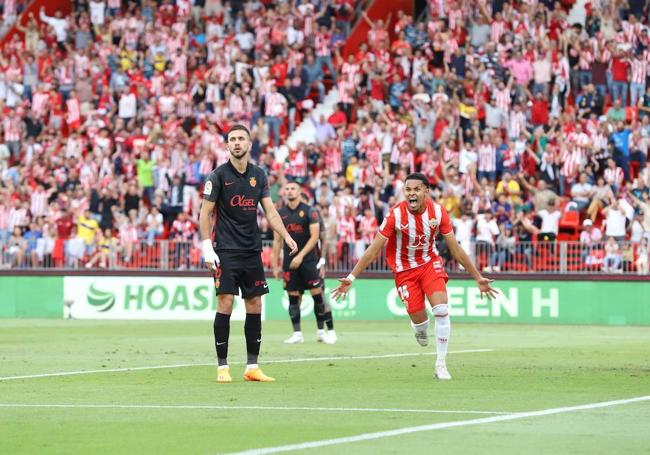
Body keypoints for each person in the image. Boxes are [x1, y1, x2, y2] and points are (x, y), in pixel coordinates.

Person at [332, 173, 497, 380]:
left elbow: (455, 249)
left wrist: (477, 277)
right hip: (404, 271)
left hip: (429, 264)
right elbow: (373, 250)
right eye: (408, 190)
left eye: (416, 189)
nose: (411, 193)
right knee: (420, 322)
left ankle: (441, 364)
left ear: (426, 191)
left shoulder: (438, 212)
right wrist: (351, 277)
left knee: (441, 309)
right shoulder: (395, 215)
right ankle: (419, 328)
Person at [199, 124, 298, 384]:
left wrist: (286, 236)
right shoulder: (218, 176)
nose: (237, 143)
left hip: (251, 250)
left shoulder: (259, 175)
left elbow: (271, 212)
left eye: (241, 138)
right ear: (227, 145)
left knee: (255, 304)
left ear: (250, 144)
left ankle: (252, 366)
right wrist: (206, 246)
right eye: (232, 139)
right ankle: (222, 366)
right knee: (226, 302)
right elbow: (205, 213)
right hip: (226, 250)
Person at [272, 182, 335, 345]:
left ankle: (321, 332)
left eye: (293, 188)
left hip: (308, 261)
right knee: (293, 298)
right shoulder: (279, 214)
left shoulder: (310, 211)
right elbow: (277, 241)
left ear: (300, 191)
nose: (289, 191)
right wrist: (275, 265)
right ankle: (297, 333)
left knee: (317, 296)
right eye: (287, 188)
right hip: (289, 262)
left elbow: (315, 237)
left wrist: (300, 256)